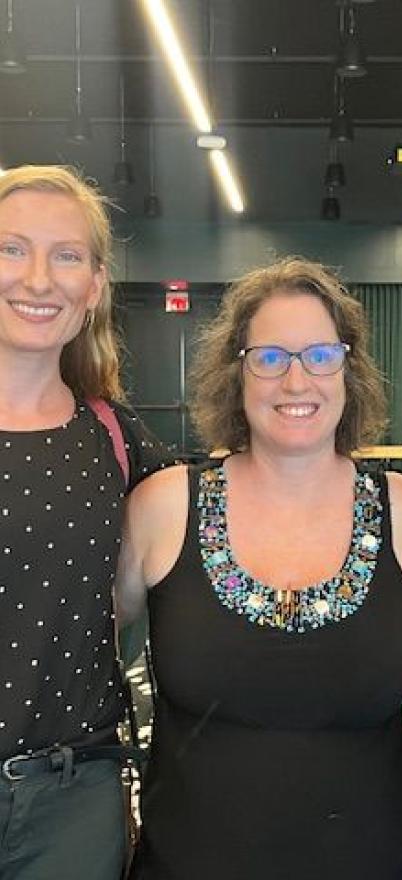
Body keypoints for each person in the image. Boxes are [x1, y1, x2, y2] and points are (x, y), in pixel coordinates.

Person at [115, 256, 402, 880]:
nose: (296, 380)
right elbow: (74, 648)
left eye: (319, 355)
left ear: (349, 369)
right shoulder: (164, 507)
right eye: (270, 357)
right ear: (237, 373)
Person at [0, 165, 169, 880]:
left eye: (66, 255)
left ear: (95, 285)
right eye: (11, 248)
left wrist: (380, 518)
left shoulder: (113, 438)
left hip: (73, 801)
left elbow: (237, 515)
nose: (39, 279)